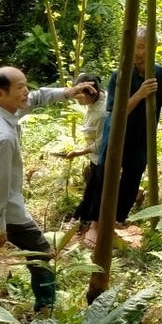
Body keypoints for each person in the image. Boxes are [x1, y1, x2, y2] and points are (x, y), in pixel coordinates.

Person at [0, 67, 95, 314]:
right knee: (40, 252)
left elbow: (38, 97)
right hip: (3, 208)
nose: (26, 92)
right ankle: (46, 307)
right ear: (1, 93)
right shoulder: (1, 136)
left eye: (25, 85)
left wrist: (68, 92)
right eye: (20, 88)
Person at [82, 28, 162, 246]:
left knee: (132, 178)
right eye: (133, 46)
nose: (136, 51)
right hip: (116, 133)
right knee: (105, 176)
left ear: (152, 48)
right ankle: (95, 225)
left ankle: (114, 221)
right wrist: (140, 94)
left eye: (141, 46)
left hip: (143, 135)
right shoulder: (121, 75)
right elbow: (117, 112)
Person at [62, 73, 107, 227]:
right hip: (94, 157)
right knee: (91, 188)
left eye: (80, 97)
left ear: (92, 93)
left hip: (102, 157)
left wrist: (78, 152)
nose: (78, 100)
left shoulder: (102, 113)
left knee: (96, 191)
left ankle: (86, 221)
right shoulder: (93, 104)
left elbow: (102, 144)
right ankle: (80, 218)